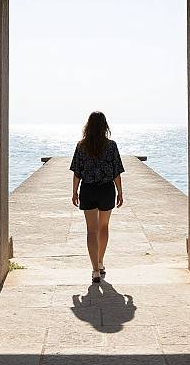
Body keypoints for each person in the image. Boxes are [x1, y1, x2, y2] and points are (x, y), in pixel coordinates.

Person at [70, 111, 125, 283]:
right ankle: (100, 262)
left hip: (88, 189)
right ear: (104, 126)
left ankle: (94, 270)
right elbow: (117, 172)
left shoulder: (81, 146)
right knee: (104, 227)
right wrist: (120, 192)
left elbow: (77, 172)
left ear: (88, 126)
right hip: (107, 189)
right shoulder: (111, 146)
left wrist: (74, 192)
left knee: (91, 230)